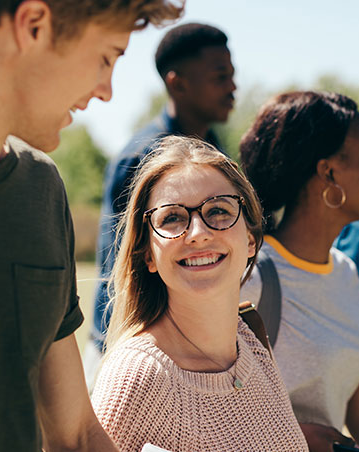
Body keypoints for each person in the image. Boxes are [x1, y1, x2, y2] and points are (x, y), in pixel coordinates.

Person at [0, 1, 182, 450]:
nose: (106, 91)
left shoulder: (40, 188)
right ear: (33, 25)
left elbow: (77, 437)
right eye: (106, 57)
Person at [90, 136, 308, 451]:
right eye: (173, 218)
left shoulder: (250, 341)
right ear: (148, 255)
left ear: (250, 239)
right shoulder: (136, 377)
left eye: (218, 210)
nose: (198, 233)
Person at [239, 91, 359, 452]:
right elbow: (196, 406)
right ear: (328, 172)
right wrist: (287, 438)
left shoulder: (346, 274)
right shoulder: (248, 279)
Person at [87, 22, 236, 378]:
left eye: (233, 76)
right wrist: (127, 357)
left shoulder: (216, 152)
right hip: (130, 348)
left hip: (194, 346)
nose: (233, 88)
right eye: (220, 76)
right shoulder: (141, 156)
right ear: (177, 83)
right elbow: (120, 266)